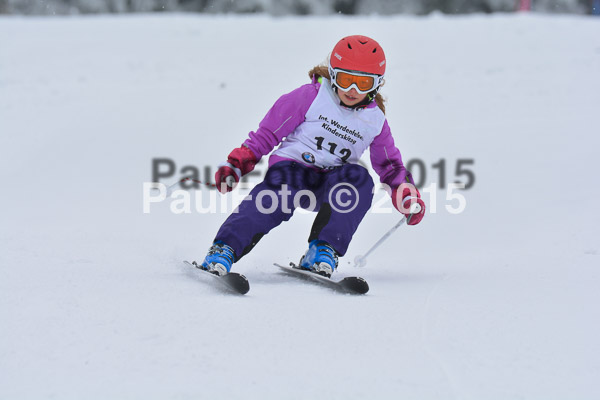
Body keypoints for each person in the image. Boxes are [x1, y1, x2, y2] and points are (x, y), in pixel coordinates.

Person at [199, 35, 426, 277]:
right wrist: (237, 165)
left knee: (360, 178)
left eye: (363, 83)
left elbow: (390, 166)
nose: (352, 90)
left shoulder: (375, 120)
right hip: (292, 171)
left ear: (377, 84)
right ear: (333, 74)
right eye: (346, 80)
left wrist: (404, 191)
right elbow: (266, 134)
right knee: (273, 197)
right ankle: (224, 250)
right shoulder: (310, 97)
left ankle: (321, 252)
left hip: (331, 185)